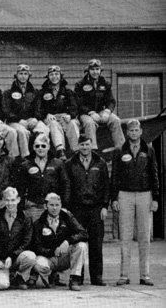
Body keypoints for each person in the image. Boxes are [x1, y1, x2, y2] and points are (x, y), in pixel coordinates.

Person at [111, 119, 160, 286]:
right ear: (127, 133)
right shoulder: (119, 151)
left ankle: (145, 275)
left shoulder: (149, 150)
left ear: (140, 132)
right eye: (130, 130)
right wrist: (114, 198)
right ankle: (124, 275)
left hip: (145, 195)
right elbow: (115, 176)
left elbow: (154, 175)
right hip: (125, 195)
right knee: (125, 236)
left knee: (144, 237)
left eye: (136, 130)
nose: (133, 133)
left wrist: (155, 198)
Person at [64, 135, 109, 286]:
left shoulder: (100, 162)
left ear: (91, 145)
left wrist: (104, 206)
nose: (84, 147)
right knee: (79, 243)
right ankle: (79, 276)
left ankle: (97, 277)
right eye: (82, 144)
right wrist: (68, 209)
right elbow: (67, 186)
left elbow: (106, 186)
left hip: (96, 208)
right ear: (78, 146)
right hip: (77, 209)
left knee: (96, 243)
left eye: (87, 144)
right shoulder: (70, 163)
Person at [31, 192, 88, 291]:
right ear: (46, 206)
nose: (54, 208)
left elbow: (83, 233)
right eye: (51, 205)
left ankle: (74, 278)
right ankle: (50, 274)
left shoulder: (67, 217)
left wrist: (68, 241)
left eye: (57, 205)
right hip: (48, 257)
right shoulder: (39, 222)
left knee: (82, 246)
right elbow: (36, 246)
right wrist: (52, 251)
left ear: (61, 205)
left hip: (64, 256)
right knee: (39, 264)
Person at [0, 187, 36, 290]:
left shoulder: (25, 218)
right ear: (3, 200)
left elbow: (27, 241)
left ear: (18, 200)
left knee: (30, 256)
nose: (10, 203)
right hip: (1, 260)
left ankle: (19, 276)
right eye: (7, 200)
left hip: (15, 258)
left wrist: (12, 256)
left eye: (13, 200)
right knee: (1, 285)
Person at [15, 134, 70, 222]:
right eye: (37, 146)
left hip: (53, 206)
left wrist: (64, 206)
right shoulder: (26, 165)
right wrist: (21, 208)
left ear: (48, 147)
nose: (40, 148)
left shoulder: (58, 163)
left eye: (43, 146)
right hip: (34, 206)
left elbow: (65, 184)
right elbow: (20, 187)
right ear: (33, 147)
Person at [74, 59, 125, 151]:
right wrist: (90, 112)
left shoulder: (105, 83)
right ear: (88, 70)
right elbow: (78, 103)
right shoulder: (80, 84)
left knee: (116, 120)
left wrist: (107, 111)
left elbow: (111, 101)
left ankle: (121, 148)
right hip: (85, 113)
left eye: (97, 69)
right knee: (89, 123)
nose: (95, 72)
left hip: (101, 111)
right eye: (92, 69)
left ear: (100, 70)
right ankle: (93, 150)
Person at [2, 64, 48, 157]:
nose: (23, 76)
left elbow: (39, 108)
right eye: (21, 73)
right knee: (22, 132)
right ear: (16, 75)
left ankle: (42, 156)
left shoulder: (35, 92)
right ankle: (25, 157)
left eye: (25, 74)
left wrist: (35, 118)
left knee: (43, 129)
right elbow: (6, 110)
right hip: (15, 122)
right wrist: (18, 120)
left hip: (32, 120)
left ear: (29, 76)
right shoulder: (8, 93)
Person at [35, 66, 80, 157]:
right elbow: (37, 110)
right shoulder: (42, 93)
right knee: (54, 124)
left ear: (60, 76)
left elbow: (75, 107)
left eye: (56, 74)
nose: (54, 76)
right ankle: (60, 150)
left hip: (65, 118)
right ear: (48, 77)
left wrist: (70, 115)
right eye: (51, 74)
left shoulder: (67, 92)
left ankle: (76, 151)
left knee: (73, 123)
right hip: (51, 119)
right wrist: (46, 114)